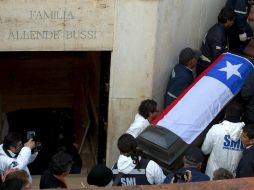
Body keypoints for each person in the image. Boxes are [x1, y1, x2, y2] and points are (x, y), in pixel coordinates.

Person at [201, 102, 245, 178]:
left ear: (225, 114)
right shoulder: (246, 134)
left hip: (213, 175)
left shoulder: (216, 129)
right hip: (232, 178)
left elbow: (205, 150)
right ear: (241, 116)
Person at [197, 7, 235, 75]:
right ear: (227, 21)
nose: (233, 22)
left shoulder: (218, 27)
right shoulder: (218, 36)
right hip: (205, 67)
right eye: (232, 20)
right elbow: (216, 58)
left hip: (206, 63)